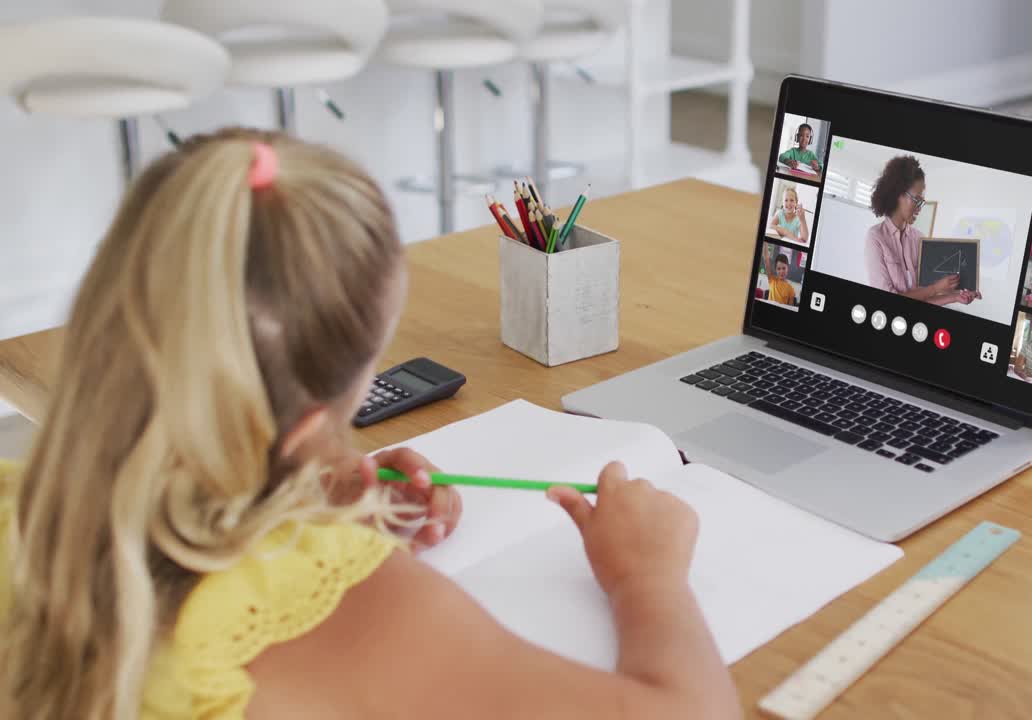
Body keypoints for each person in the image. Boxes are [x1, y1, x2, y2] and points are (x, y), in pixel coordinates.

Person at [0, 129, 739, 720]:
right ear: (307, 426)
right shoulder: (335, 610)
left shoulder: (18, 510)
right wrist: (646, 576)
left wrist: (295, 505)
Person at [864, 155, 981, 306]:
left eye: (922, 202)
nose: (919, 208)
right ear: (898, 194)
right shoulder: (876, 237)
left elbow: (924, 297)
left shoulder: (919, 239)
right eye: (916, 200)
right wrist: (935, 288)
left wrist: (956, 297)